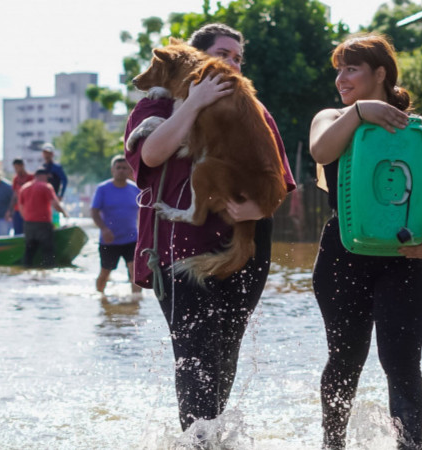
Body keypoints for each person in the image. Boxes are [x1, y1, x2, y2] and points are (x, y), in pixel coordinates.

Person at [123, 23, 296, 431]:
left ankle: (211, 436)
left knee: (224, 353)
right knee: (196, 354)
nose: (232, 64)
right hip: (179, 248)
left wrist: (255, 208)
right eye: (223, 54)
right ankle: (199, 439)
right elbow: (150, 154)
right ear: (196, 58)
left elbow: (280, 178)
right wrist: (195, 101)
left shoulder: (249, 106)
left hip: (245, 247)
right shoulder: (153, 108)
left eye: (238, 58)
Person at [308, 33, 422, 450]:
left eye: (352, 69)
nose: (341, 78)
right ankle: (332, 444)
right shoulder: (330, 117)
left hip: (404, 257)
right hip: (341, 258)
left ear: (380, 73)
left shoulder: (418, 129)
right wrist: (359, 112)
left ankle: (410, 446)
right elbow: (320, 152)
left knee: (402, 363)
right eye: (339, 70)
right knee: (346, 359)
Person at [91, 155, 141, 295]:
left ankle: (136, 303)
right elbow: (94, 211)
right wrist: (104, 229)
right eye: (118, 167)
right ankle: (100, 298)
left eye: (124, 168)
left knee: (135, 272)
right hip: (109, 239)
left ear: (129, 171)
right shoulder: (103, 189)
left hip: (131, 239)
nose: (121, 170)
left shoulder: (136, 189)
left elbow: (143, 214)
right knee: (105, 272)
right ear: (112, 170)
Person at [19, 168, 68, 267]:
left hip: (28, 224)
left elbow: (21, 207)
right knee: (48, 250)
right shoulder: (46, 187)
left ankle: (26, 271)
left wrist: (27, 218)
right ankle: (48, 274)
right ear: (43, 176)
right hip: (43, 224)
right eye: (47, 177)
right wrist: (64, 213)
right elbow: (55, 204)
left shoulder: (24, 188)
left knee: (29, 250)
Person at [7, 158, 34, 235]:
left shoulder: (31, 177)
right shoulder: (16, 179)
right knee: (18, 233)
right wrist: (10, 210)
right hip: (18, 210)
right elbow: (15, 195)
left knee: (29, 232)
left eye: (17, 167)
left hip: (29, 210)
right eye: (14, 168)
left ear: (22, 166)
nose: (16, 170)